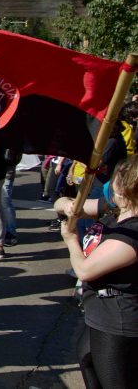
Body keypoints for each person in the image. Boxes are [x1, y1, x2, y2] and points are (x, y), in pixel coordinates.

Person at [60, 154, 138, 388]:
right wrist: (67, 205)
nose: (113, 183)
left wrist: (71, 241)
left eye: (119, 178)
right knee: (88, 363)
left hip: (118, 321)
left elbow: (84, 270)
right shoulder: (115, 208)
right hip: (99, 315)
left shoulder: (132, 235)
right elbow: (64, 205)